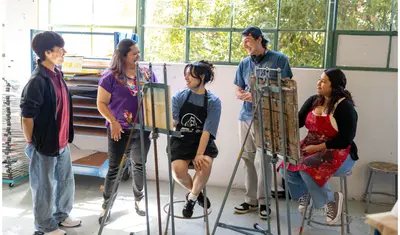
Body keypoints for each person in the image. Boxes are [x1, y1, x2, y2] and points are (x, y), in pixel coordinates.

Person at [279, 68, 358, 225]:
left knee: (307, 167)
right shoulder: (314, 101)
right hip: (310, 147)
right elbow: (298, 122)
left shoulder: (345, 107)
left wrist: (317, 148)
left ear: (335, 85)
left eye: (324, 81)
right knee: (285, 166)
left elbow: (346, 139)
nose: (319, 83)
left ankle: (331, 202)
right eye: (319, 79)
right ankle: (304, 194)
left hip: (339, 152)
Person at [21, 31, 81, 235]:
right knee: (44, 187)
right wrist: (32, 142)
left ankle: (61, 216)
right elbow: (27, 117)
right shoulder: (37, 81)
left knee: (65, 181)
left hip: (61, 141)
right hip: (44, 143)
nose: (65, 52)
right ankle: (44, 226)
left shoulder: (57, 74)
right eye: (60, 49)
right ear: (47, 52)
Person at [233, 26, 293, 219]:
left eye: (247, 42)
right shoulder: (244, 63)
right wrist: (241, 94)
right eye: (243, 43)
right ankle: (250, 200)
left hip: (267, 118)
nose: (245, 46)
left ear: (259, 39)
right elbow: (237, 87)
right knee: (247, 159)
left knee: (263, 160)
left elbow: (286, 88)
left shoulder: (279, 60)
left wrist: (258, 94)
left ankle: (264, 202)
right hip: (246, 117)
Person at [96, 39, 157, 224]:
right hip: (119, 130)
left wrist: (156, 122)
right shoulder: (110, 77)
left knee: (139, 165)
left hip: (142, 129)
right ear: (123, 56)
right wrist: (113, 121)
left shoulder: (147, 74)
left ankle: (139, 201)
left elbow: (156, 99)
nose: (139, 56)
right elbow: (101, 103)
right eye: (134, 54)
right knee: (115, 169)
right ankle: (106, 207)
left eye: (139, 52)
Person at [170, 60, 221, 218]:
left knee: (204, 164)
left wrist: (199, 154)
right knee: (178, 170)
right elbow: (173, 123)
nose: (186, 78)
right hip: (182, 140)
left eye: (189, 75)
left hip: (202, 141)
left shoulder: (213, 102)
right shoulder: (179, 97)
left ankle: (191, 199)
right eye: (185, 74)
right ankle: (197, 194)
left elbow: (207, 131)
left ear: (202, 77)